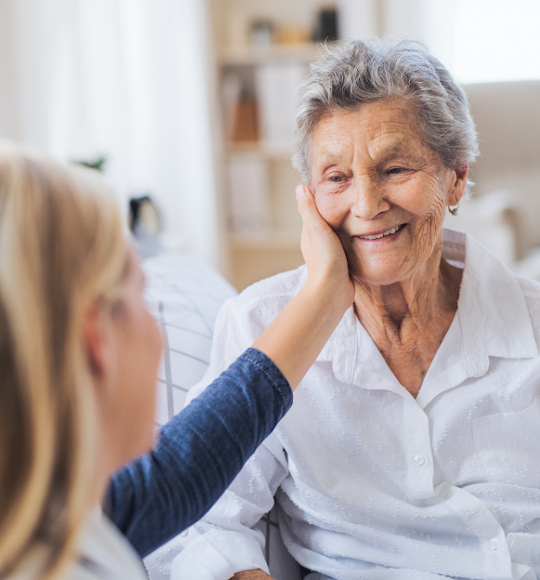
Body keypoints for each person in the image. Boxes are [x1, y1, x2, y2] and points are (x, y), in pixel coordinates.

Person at [168, 38, 540, 580]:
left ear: (456, 176)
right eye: (337, 178)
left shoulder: (531, 321)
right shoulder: (261, 326)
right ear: (310, 198)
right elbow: (203, 521)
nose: (366, 206)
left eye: (394, 169)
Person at [0, 140, 353, 579]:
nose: (160, 334)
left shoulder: (46, 517)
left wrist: (326, 294)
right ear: (97, 339)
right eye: (143, 294)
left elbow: (174, 476)